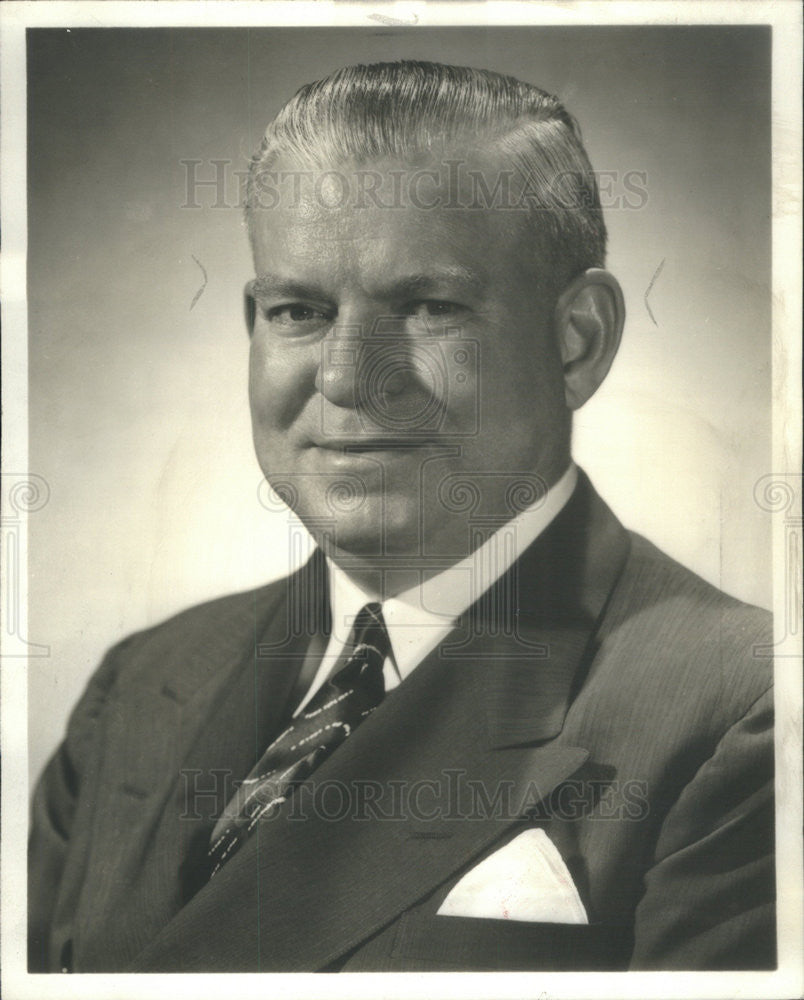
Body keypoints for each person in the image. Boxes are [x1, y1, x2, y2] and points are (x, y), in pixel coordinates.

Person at [28, 60, 774, 974]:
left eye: (428, 307)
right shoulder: (138, 688)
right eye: (298, 310)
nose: (346, 377)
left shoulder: (746, 716)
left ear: (577, 342)